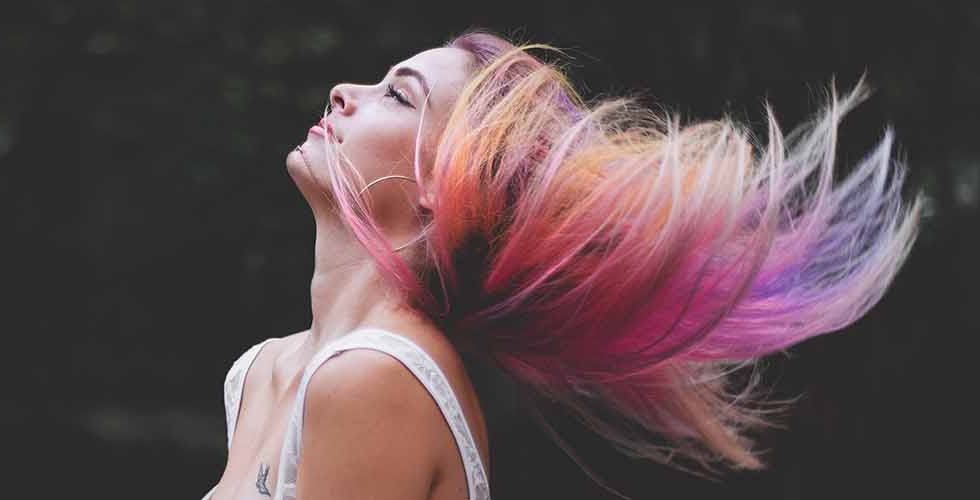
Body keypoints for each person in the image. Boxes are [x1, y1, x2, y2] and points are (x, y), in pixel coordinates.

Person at [201, 30, 922, 500]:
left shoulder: (372, 377)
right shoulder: (261, 373)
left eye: (397, 95)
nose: (343, 93)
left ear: (445, 182)